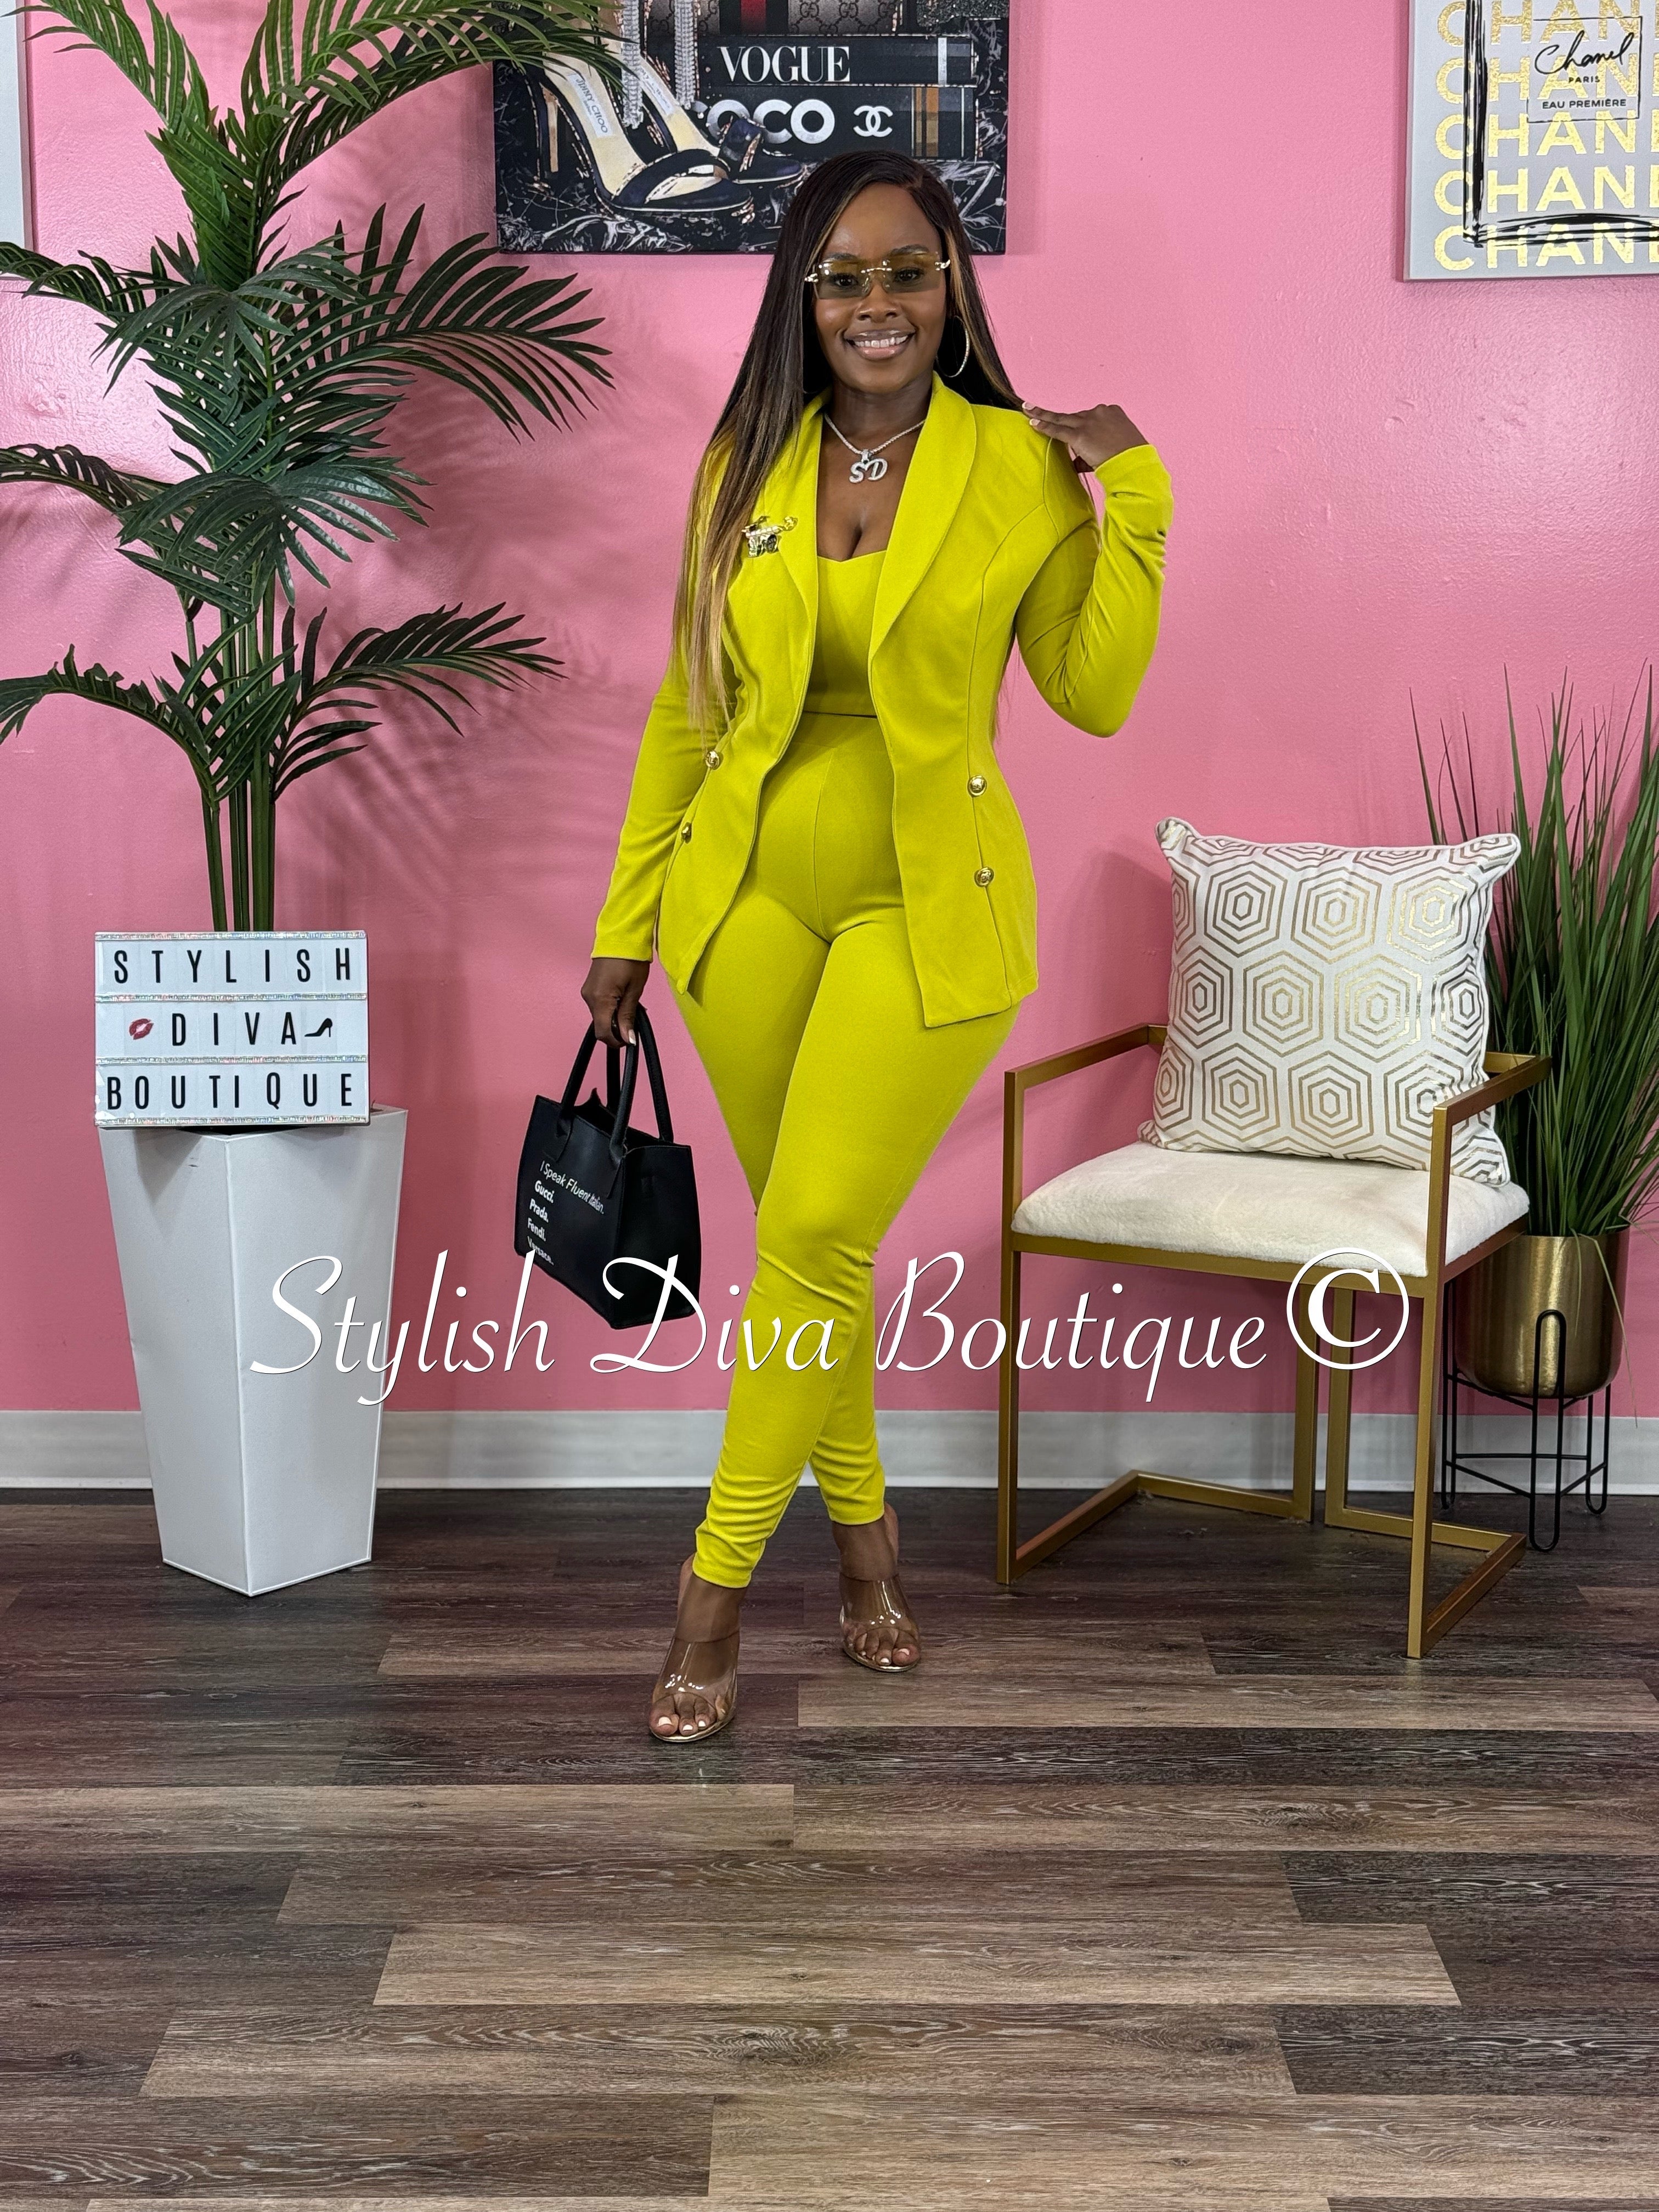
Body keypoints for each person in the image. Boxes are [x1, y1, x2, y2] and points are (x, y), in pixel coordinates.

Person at [583, 149, 1172, 1742]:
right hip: (738, 904)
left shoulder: (1015, 466)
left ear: (952, 284)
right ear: (804, 297)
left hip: (927, 906)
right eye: (842, 277)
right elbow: (689, 709)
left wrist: (1137, 491)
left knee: (812, 1237)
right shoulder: (744, 468)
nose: (877, 303)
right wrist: (625, 924)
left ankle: (710, 1597)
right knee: (810, 1249)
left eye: (908, 270)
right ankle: (867, 1554)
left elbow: (1095, 691)